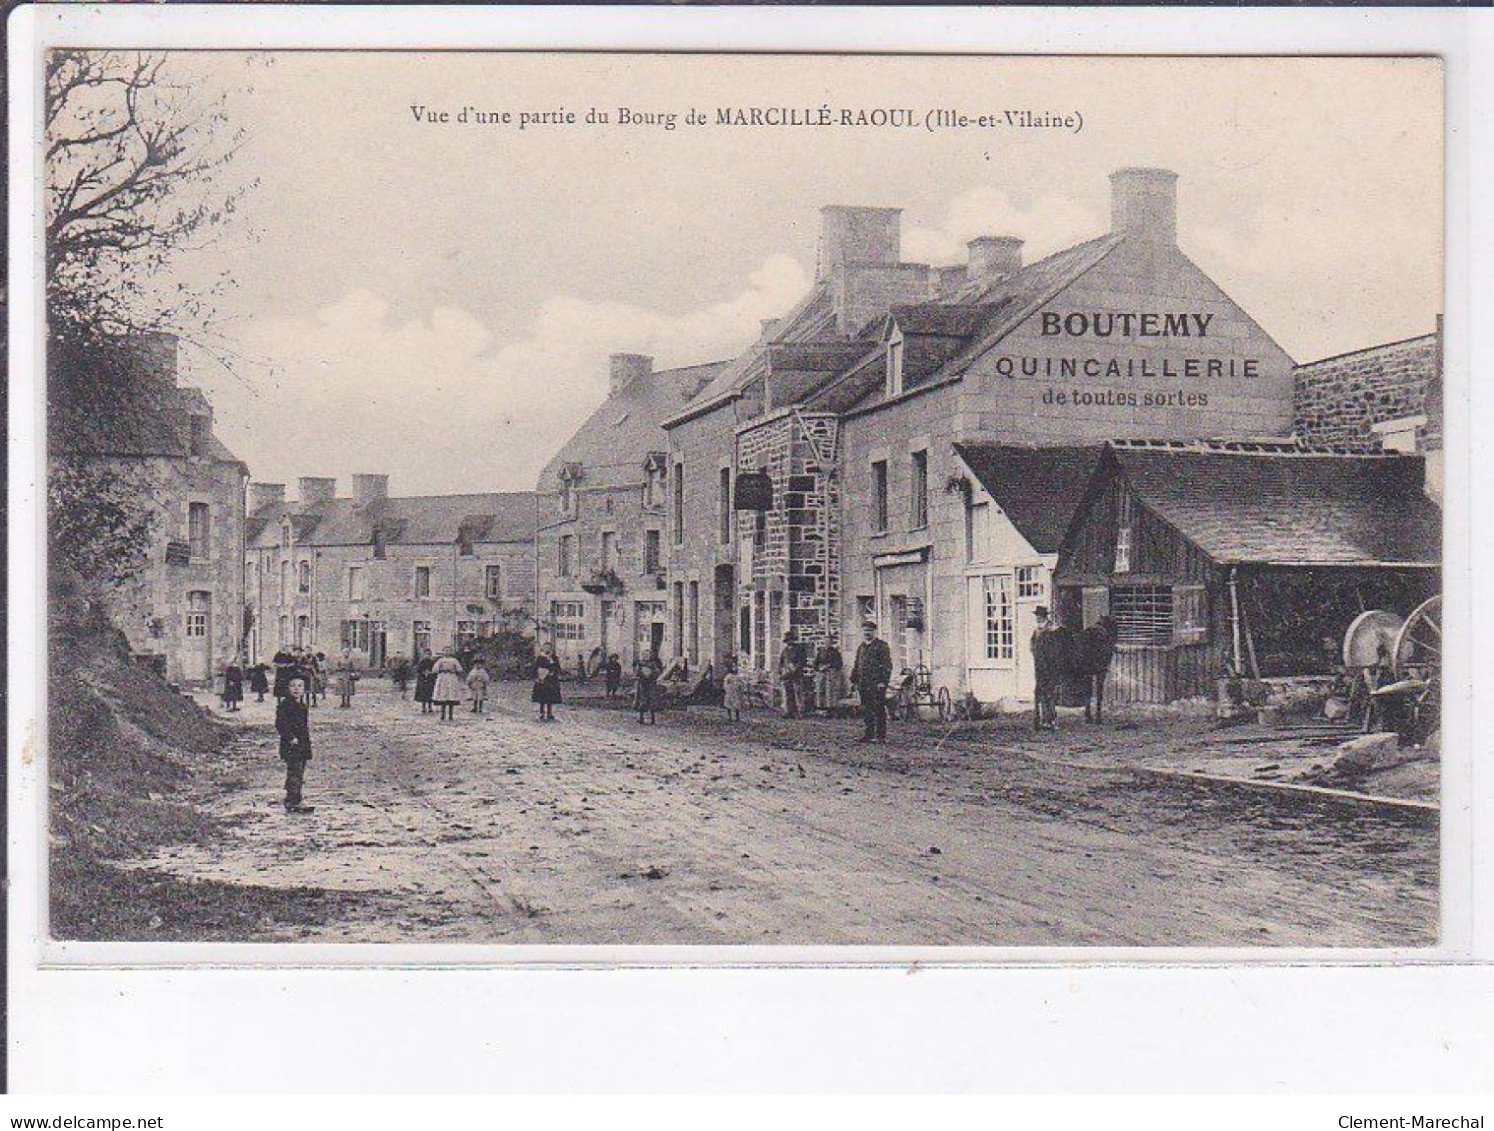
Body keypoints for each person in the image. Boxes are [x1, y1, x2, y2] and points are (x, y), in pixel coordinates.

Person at [275, 674, 315, 814]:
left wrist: (306, 742)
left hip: (302, 744)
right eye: (293, 686)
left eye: (300, 686)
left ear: (304, 689)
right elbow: (281, 724)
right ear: (287, 688)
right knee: (295, 772)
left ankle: (291, 797)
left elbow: (304, 727)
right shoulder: (285, 705)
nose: (296, 689)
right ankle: (295, 800)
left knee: (298, 771)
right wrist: (290, 737)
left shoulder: (302, 706)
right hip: (291, 744)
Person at [849, 620, 892, 743]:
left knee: (878, 709)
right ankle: (868, 734)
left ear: (874, 632)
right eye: (865, 630)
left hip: (877, 683)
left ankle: (880, 736)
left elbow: (887, 665)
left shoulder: (881, 646)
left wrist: (883, 681)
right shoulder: (861, 647)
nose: (867, 633)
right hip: (864, 683)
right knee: (866, 709)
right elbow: (857, 664)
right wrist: (854, 680)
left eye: (869, 631)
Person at [1030, 605, 1063, 732]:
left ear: (1044, 617)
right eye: (1037, 616)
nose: (1038, 618)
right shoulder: (1036, 631)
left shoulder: (1053, 631)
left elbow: (1057, 650)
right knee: (1040, 692)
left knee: (1050, 692)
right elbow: (1032, 646)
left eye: (1040, 616)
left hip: (1051, 666)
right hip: (1039, 666)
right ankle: (1043, 719)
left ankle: (1051, 719)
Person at [778, 632, 808, 719]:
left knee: (798, 693)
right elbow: (781, 662)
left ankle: (800, 712)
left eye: (790, 640)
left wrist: (795, 668)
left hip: (796, 675)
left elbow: (802, 661)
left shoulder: (799, 649)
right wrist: (781, 671)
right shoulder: (785, 650)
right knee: (788, 694)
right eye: (787, 641)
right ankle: (789, 711)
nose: (789, 642)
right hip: (787, 675)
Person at [532, 643, 562, 722]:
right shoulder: (540, 658)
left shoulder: (554, 658)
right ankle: (542, 713)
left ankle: (550, 713)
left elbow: (558, 668)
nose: (547, 649)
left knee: (550, 697)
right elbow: (535, 668)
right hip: (542, 679)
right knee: (542, 697)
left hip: (551, 680)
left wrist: (554, 671)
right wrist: (538, 676)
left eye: (549, 648)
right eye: (545, 647)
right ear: (543, 648)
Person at [432, 650, 465, 722]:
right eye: (445, 651)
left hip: (451, 678)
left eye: (448, 651)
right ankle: (442, 715)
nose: (447, 653)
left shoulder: (454, 660)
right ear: (443, 652)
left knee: (451, 696)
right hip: (443, 677)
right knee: (443, 695)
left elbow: (460, 669)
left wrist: (454, 670)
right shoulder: (440, 660)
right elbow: (434, 669)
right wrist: (441, 669)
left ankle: (450, 715)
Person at [814, 640, 845, 713]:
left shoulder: (835, 652)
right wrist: (819, 668)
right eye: (825, 642)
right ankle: (820, 707)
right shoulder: (821, 651)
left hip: (831, 673)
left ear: (831, 643)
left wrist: (829, 666)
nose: (827, 644)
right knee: (820, 689)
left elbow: (839, 664)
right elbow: (816, 663)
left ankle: (830, 707)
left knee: (830, 690)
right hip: (821, 673)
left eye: (829, 642)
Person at [634, 648, 662, 725]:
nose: (646, 656)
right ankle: (641, 718)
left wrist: (652, 676)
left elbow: (657, 673)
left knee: (652, 700)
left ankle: (653, 719)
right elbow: (637, 673)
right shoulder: (640, 663)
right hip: (642, 685)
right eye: (644, 655)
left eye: (648, 655)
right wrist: (640, 676)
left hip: (651, 684)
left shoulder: (653, 664)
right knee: (642, 700)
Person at [721, 653, 744, 723]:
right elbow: (725, 682)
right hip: (730, 690)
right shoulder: (729, 675)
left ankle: (737, 717)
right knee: (728, 703)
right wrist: (726, 688)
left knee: (737, 703)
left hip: (736, 690)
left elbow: (740, 682)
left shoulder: (738, 676)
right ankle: (730, 717)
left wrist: (740, 687)